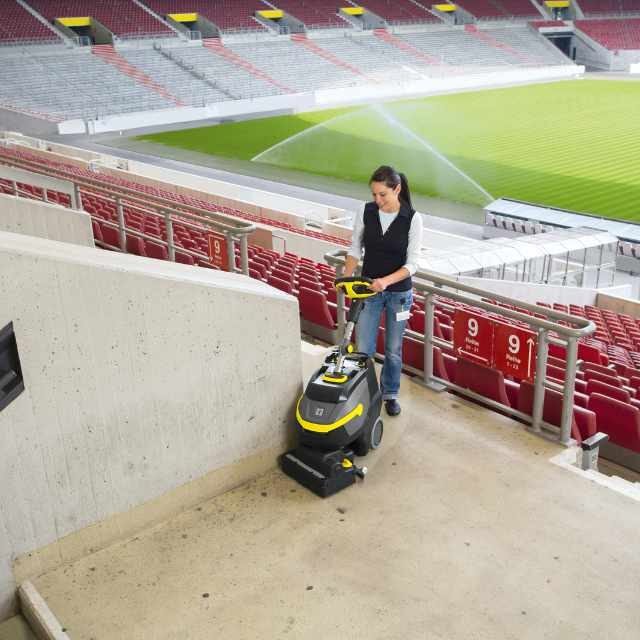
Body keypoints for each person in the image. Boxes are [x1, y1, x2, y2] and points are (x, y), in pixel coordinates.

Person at [343, 166, 423, 417]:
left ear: (397, 189)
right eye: (374, 194)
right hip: (369, 291)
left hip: (399, 295)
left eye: (382, 195)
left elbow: (412, 265)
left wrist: (386, 282)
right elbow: (355, 248)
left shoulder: (413, 219)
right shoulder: (365, 211)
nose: (377, 200)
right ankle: (364, 393)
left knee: (392, 349)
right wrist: (346, 278)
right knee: (363, 347)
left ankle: (390, 394)